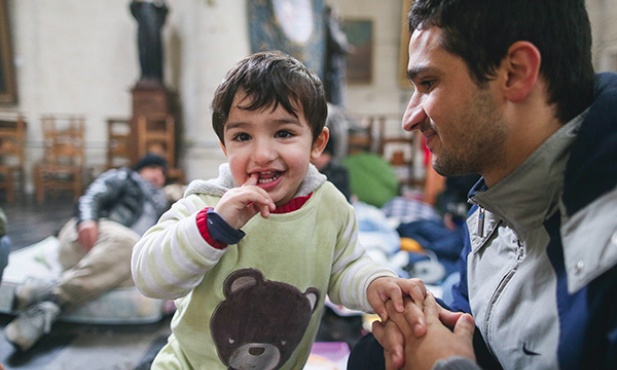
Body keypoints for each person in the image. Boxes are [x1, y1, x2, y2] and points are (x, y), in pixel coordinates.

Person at [348, 0, 617, 369]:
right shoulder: (496, 195)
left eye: (428, 83)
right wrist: (411, 333)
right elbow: (473, 329)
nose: (409, 119)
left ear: (515, 73)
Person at [131, 50, 423, 370]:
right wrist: (212, 229)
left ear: (317, 143)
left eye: (283, 133)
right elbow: (150, 277)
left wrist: (374, 284)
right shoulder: (207, 207)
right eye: (242, 136)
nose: (263, 153)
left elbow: (343, 269)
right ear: (225, 147)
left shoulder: (329, 206)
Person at [3, 153, 169, 352]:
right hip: (90, 236)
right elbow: (93, 195)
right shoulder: (124, 178)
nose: (157, 175)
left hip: (117, 261)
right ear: (140, 169)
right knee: (133, 249)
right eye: (152, 168)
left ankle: (48, 300)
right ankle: (54, 297)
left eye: (162, 173)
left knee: (141, 267)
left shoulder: (161, 202)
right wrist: (87, 219)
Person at [130, 0, 169, 85]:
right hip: (143, 34)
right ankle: (145, 75)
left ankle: (155, 75)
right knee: (144, 53)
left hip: (154, 33)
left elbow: (164, 12)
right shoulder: (140, 6)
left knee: (154, 52)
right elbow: (133, 8)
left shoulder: (156, 6)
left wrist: (158, 4)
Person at [311, 130, 352, 202]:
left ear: (330, 156)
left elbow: (344, 199)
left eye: (322, 154)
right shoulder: (305, 172)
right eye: (312, 152)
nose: (316, 158)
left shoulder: (338, 173)